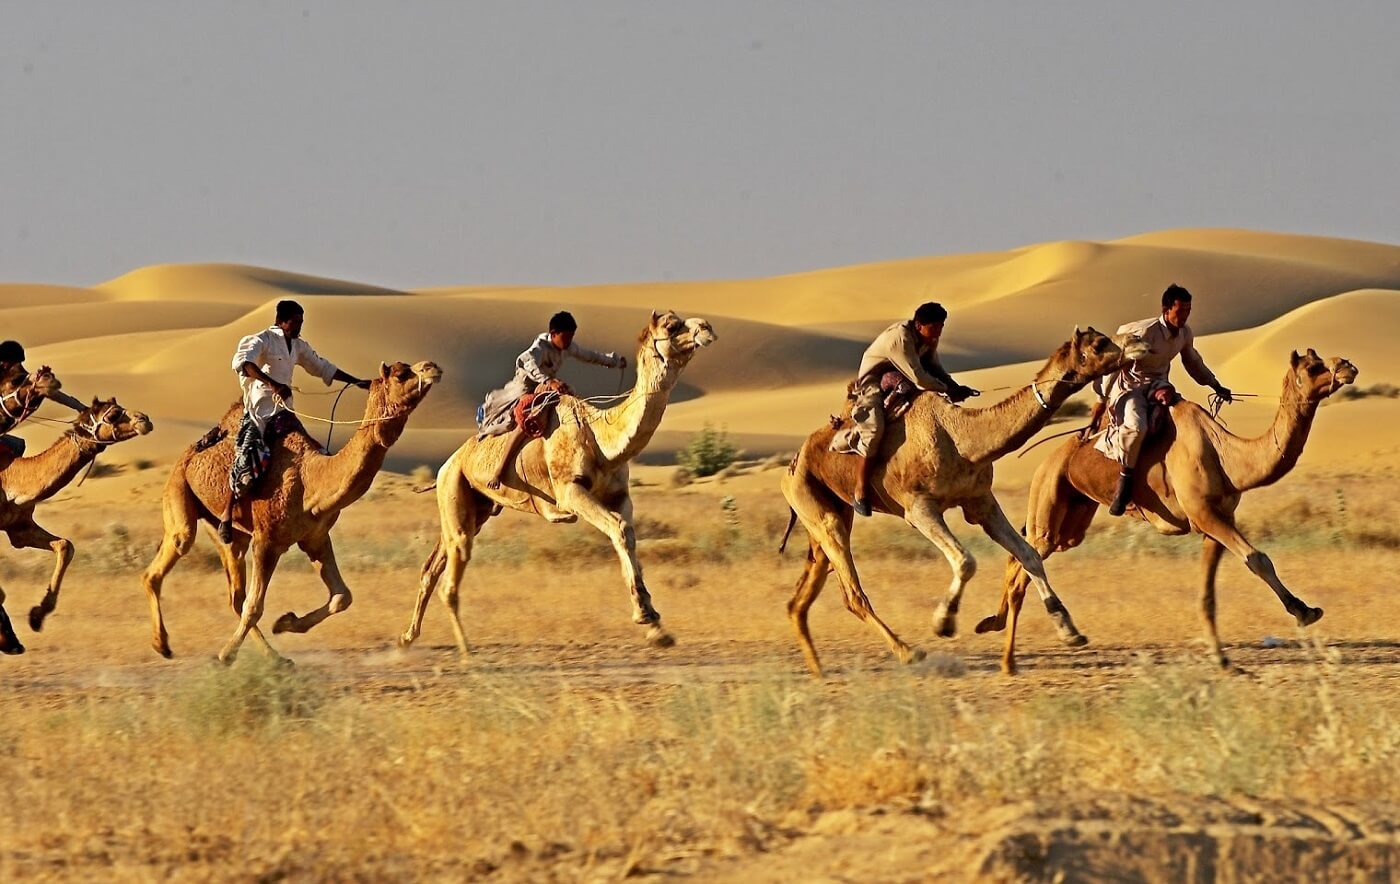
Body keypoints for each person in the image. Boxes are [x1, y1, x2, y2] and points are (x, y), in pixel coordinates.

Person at [218, 300, 370, 542]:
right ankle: (227, 514)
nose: (299, 326)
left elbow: (322, 367)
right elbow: (243, 364)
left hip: (284, 411)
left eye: (301, 322)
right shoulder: (263, 340)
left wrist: (356, 381)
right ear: (282, 321)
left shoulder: (298, 346)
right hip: (259, 410)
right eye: (295, 322)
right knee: (246, 458)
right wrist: (273, 384)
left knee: (314, 450)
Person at [1095, 283, 1232, 516]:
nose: (1185, 316)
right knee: (1137, 428)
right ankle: (1125, 484)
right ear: (1166, 309)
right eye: (1181, 311)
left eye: (1188, 311)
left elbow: (1193, 363)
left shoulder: (1185, 333)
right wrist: (1101, 399)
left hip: (1159, 384)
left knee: (1189, 417)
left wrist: (1215, 385)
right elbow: (1115, 364)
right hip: (1131, 388)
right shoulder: (1144, 333)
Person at [836, 302, 978, 517]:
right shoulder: (900, 339)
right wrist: (947, 388)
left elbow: (934, 368)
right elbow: (920, 376)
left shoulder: (928, 339)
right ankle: (860, 490)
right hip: (873, 379)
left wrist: (955, 387)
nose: (938, 333)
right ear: (920, 325)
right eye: (935, 327)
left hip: (902, 376)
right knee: (874, 429)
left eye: (941, 327)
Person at [477, 310, 626, 488]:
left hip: (546, 388)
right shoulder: (540, 346)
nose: (569, 341)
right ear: (554, 334)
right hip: (523, 390)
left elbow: (590, 356)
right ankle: (500, 472)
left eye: (571, 337)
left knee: (573, 398)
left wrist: (614, 362)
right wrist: (549, 381)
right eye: (566, 337)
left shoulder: (567, 347)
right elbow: (525, 361)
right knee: (521, 424)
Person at [0, 339, 88, 457]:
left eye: (3, 361)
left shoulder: (25, 382)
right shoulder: (7, 377)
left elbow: (54, 393)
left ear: (9, 362)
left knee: (18, 445)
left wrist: (80, 407)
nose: (1, 363)